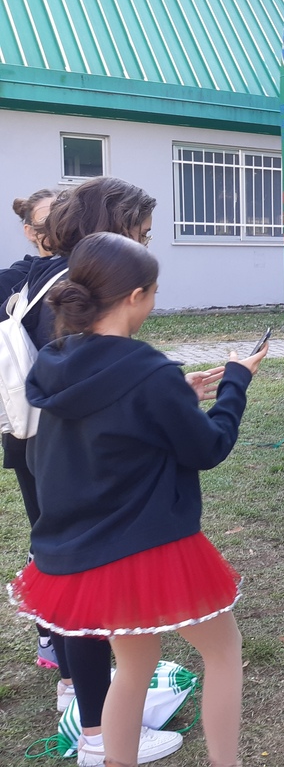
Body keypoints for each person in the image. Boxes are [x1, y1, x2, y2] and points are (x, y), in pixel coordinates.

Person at [9, 231, 267, 767]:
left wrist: (176, 393)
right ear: (134, 297)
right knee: (223, 651)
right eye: (153, 292)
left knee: (133, 667)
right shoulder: (148, 372)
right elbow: (209, 447)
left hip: (80, 548)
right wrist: (235, 382)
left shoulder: (55, 360)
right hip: (147, 544)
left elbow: (109, 423)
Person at [1, 188, 60, 670]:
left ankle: (56, 636)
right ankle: (54, 637)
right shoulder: (23, 277)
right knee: (50, 530)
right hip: (36, 429)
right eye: (49, 220)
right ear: (30, 231)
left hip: (37, 427)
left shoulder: (68, 270)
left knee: (50, 530)